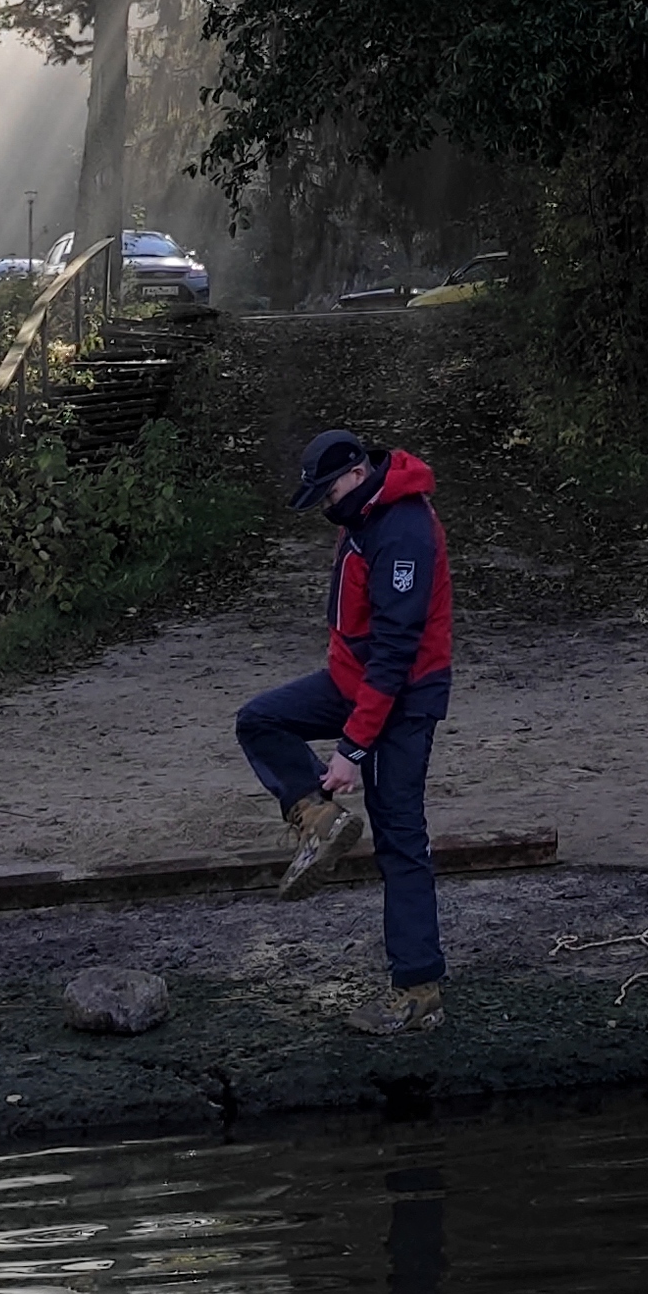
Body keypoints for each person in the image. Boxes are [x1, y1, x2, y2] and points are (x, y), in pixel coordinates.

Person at [233, 426, 452, 1030]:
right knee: (261, 720)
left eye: (329, 495)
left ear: (356, 476)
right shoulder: (365, 515)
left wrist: (351, 750)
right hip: (354, 681)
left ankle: (417, 989)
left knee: (401, 836)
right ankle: (316, 815)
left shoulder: (403, 530)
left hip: (401, 699)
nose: (327, 507)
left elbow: (396, 653)